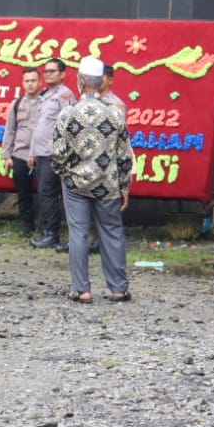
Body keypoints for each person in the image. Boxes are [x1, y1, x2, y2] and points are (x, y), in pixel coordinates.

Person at [51, 57, 133, 303]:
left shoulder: (69, 113)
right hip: (107, 185)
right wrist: (124, 185)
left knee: (78, 233)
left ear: (82, 81)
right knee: (112, 232)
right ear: (100, 82)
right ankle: (118, 289)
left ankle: (82, 289)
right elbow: (125, 155)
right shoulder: (115, 113)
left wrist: (66, 174)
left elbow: (56, 153)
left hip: (76, 184)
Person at [29, 57, 75, 251]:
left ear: (62, 74)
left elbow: (69, 125)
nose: (47, 74)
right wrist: (32, 153)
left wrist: (61, 153)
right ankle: (49, 232)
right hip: (40, 153)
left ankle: (52, 234)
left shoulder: (65, 95)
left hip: (53, 155)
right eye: (45, 71)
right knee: (44, 194)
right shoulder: (45, 95)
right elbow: (39, 127)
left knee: (48, 194)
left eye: (52, 71)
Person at [0, 67, 42, 237]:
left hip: (41, 155)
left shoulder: (46, 103)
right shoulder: (17, 104)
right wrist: (7, 155)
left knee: (45, 194)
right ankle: (28, 226)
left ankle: (44, 227)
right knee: (23, 194)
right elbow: (10, 130)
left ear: (39, 82)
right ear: (22, 83)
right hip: (20, 155)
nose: (30, 84)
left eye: (33, 81)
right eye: (27, 81)